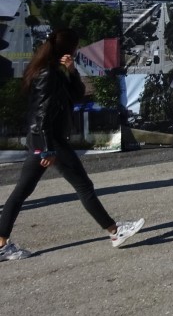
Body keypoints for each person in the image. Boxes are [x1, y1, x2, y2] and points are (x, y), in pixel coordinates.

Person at [0, 29, 144, 261]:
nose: (77, 50)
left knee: (21, 192)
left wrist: (73, 71)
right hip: (50, 141)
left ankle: (1, 245)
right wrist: (47, 149)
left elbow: (77, 95)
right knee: (84, 186)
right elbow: (41, 116)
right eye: (76, 46)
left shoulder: (52, 71)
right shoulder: (48, 74)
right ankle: (115, 231)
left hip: (43, 140)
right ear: (68, 48)